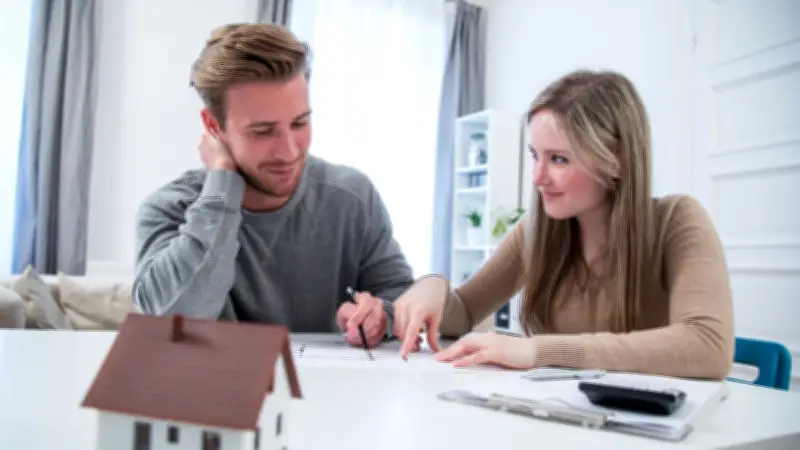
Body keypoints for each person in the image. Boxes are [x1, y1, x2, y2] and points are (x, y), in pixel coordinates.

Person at [392, 69, 735, 380]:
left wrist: (539, 351)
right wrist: (433, 286)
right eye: (534, 155)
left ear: (616, 160)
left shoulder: (678, 220)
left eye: (558, 159)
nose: (538, 177)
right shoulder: (536, 233)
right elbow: (465, 311)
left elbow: (707, 345)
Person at [132, 22, 414, 347]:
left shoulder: (353, 197)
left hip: (326, 379)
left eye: (300, 123)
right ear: (213, 126)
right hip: (217, 380)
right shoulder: (168, 209)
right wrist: (222, 182)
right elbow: (173, 322)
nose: (289, 151)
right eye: (263, 131)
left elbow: (401, 296)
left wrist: (382, 317)